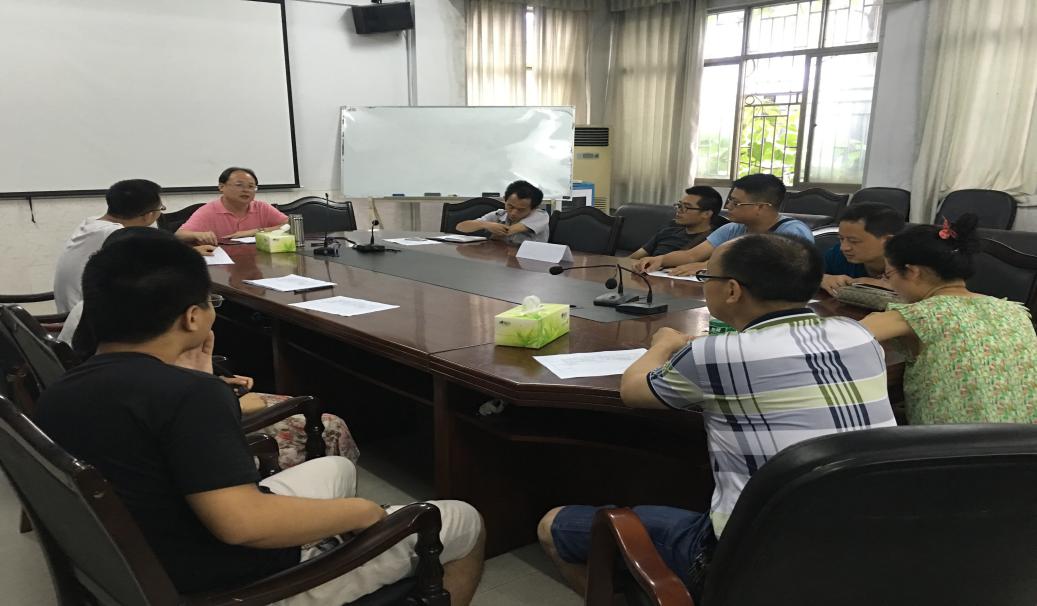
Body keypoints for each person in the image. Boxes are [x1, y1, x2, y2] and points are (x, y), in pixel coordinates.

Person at [35, 236, 484, 604]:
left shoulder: (62, 390)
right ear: (193, 317)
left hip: (152, 555)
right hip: (234, 584)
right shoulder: (189, 396)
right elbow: (242, 524)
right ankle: (334, 559)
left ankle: (337, 552)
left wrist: (200, 384)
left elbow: (171, 436)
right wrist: (364, 513)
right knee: (461, 520)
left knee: (337, 468)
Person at [539, 234, 895, 601]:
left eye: (707, 277)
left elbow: (633, 390)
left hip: (754, 560)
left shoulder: (716, 354)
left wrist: (663, 344)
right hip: (872, 545)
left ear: (732, 290)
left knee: (553, 525)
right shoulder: (858, 335)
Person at [57, 227, 359, 469]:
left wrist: (206, 380)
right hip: (226, 495)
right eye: (210, 301)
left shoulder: (78, 376)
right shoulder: (187, 395)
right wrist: (208, 387)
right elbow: (241, 516)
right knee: (336, 453)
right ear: (192, 316)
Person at [861, 214, 1037, 424]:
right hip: (1026, 441)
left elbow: (845, 337)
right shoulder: (1014, 310)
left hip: (953, 443)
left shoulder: (923, 314)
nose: (889, 285)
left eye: (888, 275)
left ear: (912, 272)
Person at [53, 179, 217, 312]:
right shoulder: (116, 234)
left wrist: (189, 251)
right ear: (148, 216)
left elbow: (154, 255)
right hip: (90, 317)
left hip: (78, 308)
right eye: (160, 208)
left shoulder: (93, 223)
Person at [633, 174, 813, 276]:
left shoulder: (792, 232)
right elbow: (691, 255)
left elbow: (780, 272)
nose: (728, 206)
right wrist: (660, 260)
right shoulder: (733, 228)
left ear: (760, 207)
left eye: (736, 203)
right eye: (730, 200)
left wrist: (708, 266)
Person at [177, 167, 290, 239]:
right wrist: (199, 235)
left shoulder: (261, 207)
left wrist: (255, 232)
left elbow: (291, 226)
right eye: (239, 185)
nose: (246, 190)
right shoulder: (209, 210)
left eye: (251, 186)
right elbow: (179, 235)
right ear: (222, 187)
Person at [820, 203, 905, 296]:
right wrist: (823, 278)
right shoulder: (837, 255)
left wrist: (889, 287)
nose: (843, 248)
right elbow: (809, 274)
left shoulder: (911, 264)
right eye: (841, 239)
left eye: (854, 241)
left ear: (888, 241)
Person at [627, 186, 724, 260]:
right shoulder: (667, 231)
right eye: (679, 205)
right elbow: (633, 258)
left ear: (706, 214)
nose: (679, 210)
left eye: (686, 207)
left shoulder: (714, 241)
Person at [455, 180, 549, 244]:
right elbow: (460, 227)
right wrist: (485, 225)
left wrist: (494, 232)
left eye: (521, 209)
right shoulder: (500, 214)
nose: (513, 213)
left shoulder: (540, 216)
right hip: (503, 258)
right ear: (505, 200)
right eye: (510, 206)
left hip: (530, 262)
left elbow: (509, 231)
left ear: (534, 208)